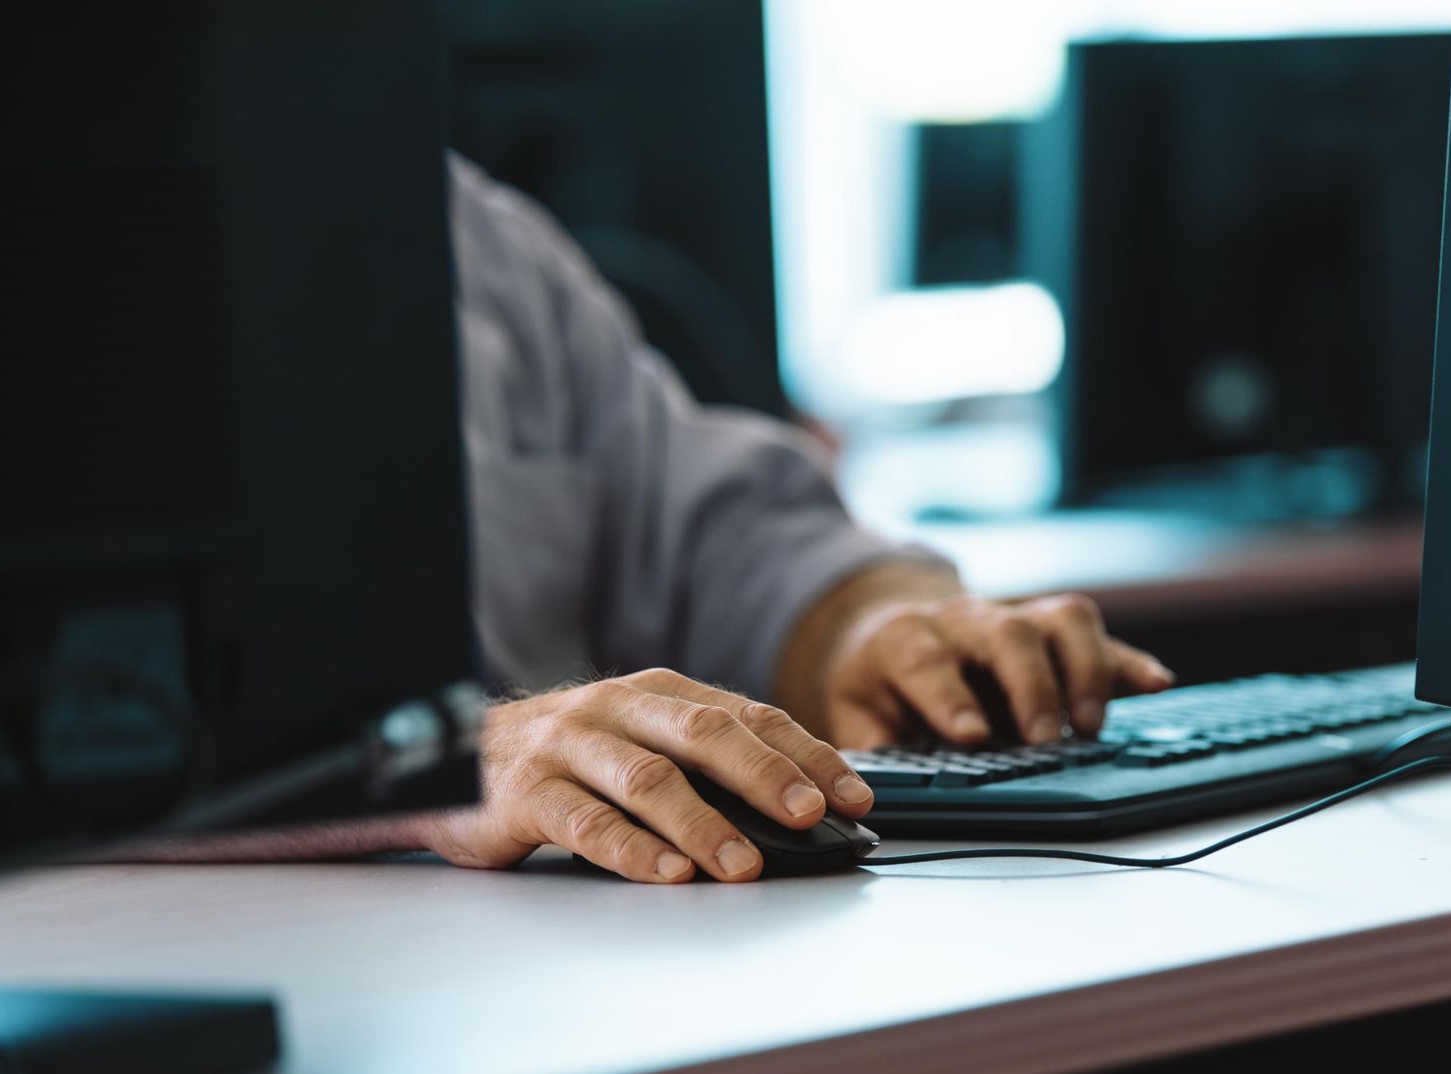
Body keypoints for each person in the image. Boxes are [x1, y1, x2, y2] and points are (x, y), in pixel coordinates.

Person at [155, 157, 1173, 884]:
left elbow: (710, 525)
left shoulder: (467, 231)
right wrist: (444, 766)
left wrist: (867, 624)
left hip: (560, 968)